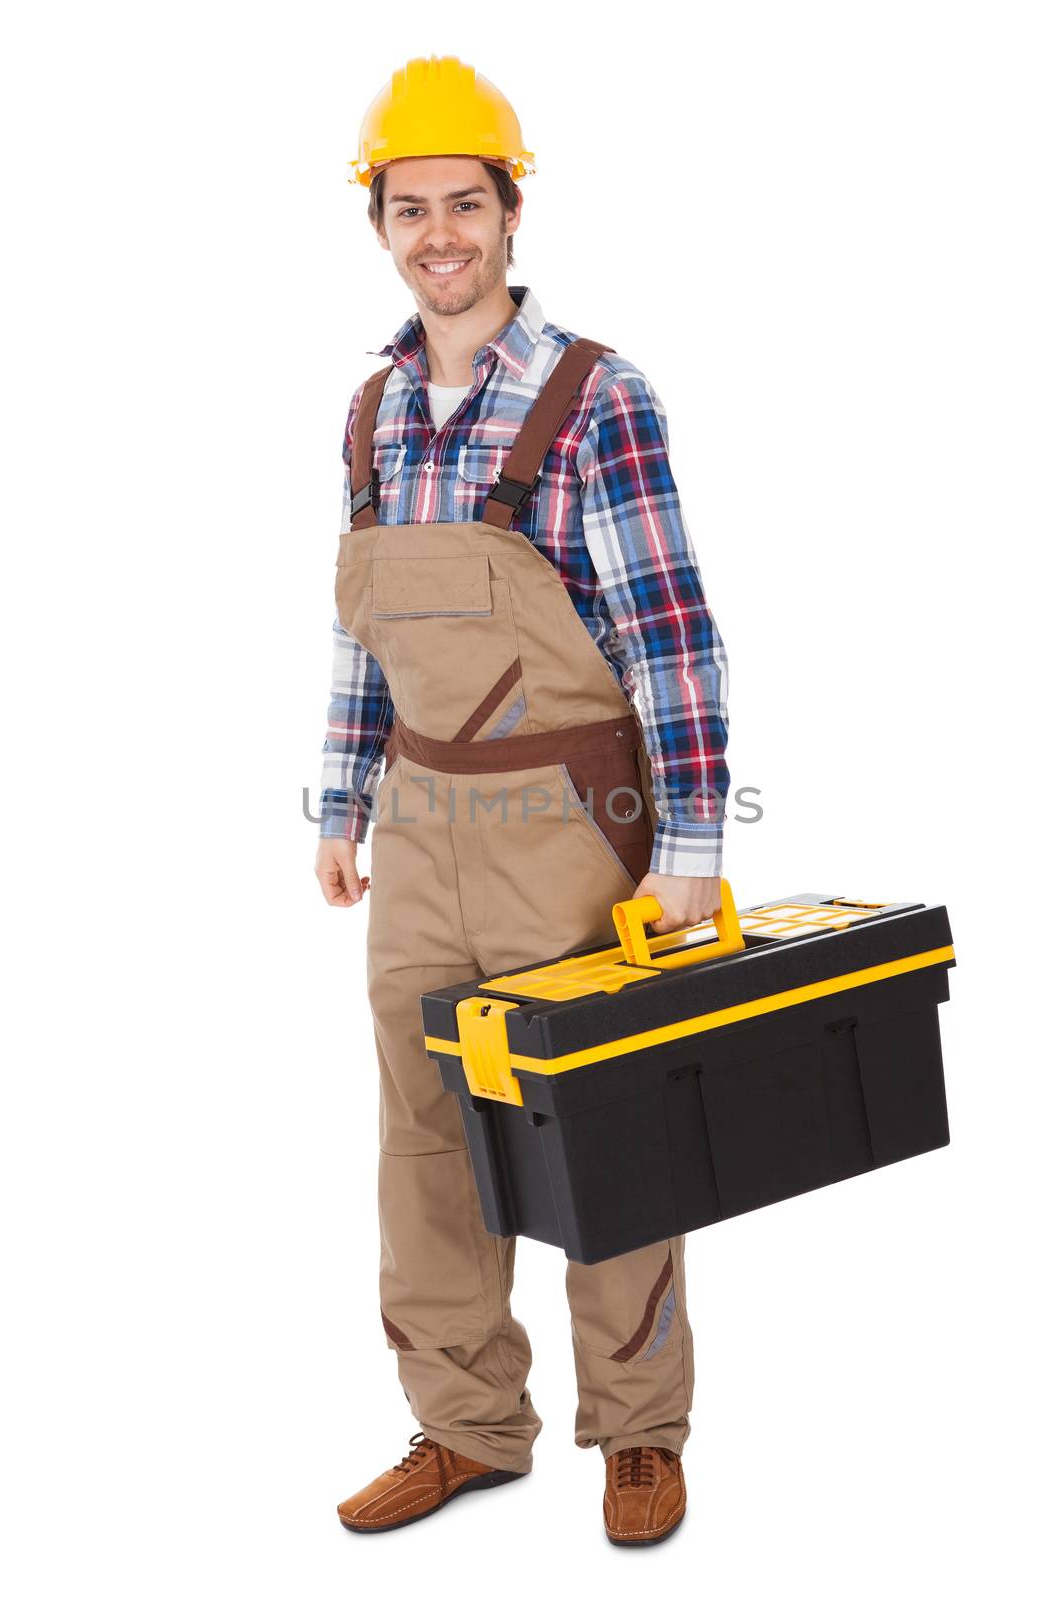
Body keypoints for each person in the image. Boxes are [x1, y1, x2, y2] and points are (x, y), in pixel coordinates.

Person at [315, 54, 730, 1547]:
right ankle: (464, 1426)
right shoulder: (369, 413)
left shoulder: (592, 396)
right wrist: (339, 801)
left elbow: (674, 631)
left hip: (570, 825)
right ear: (380, 222)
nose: (442, 232)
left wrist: (690, 843)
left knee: (602, 1123)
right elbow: (367, 626)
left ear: (508, 210)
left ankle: (637, 1431)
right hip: (421, 829)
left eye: (467, 203)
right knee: (424, 1136)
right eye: (411, 205)